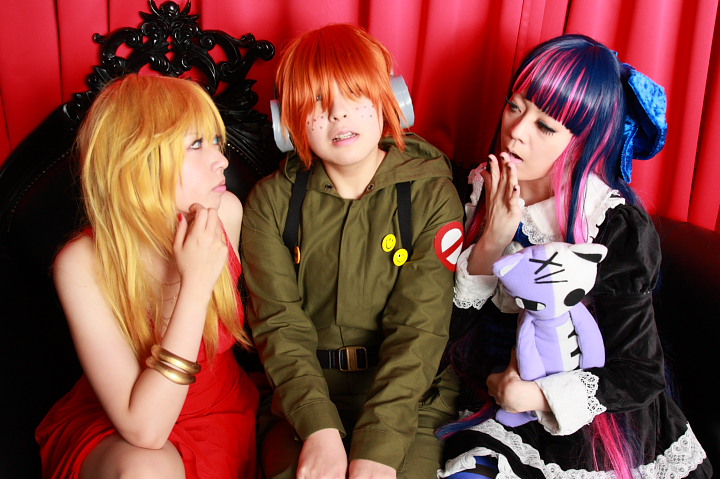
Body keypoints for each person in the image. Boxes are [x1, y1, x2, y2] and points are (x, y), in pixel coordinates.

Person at [437, 34, 712, 478]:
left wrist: (535, 396)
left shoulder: (610, 224)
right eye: (514, 106)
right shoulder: (474, 187)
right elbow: (445, 334)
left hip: (595, 422)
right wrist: (492, 239)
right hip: (495, 404)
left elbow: (639, 372)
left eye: (545, 126)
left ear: (583, 141)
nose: (516, 131)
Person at [241, 23, 464, 479]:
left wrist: (378, 448)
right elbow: (279, 326)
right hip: (304, 399)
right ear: (288, 120)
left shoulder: (431, 194)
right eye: (317, 100)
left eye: (354, 93)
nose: (338, 113)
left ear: (389, 100)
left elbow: (418, 328)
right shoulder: (270, 202)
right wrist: (319, 430)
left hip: (409, 402)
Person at [35, 74, 260, 479]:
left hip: (217, 413)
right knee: (143, 469)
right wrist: (195, 286)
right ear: (138, 159)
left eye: (216, 141)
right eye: (197, 143)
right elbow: (145, 430)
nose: (222, 160)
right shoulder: (81, 262)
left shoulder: (224, 212)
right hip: (128, 419)